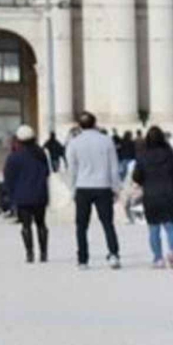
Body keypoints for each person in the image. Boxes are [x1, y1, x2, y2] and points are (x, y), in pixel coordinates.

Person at [64, 112, 123, 269]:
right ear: (95, 123)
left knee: (81, 226)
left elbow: (72, 169)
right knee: (108, 223)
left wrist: (72, 189)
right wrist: (116, 188)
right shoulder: (106, 140)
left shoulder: (74, 143)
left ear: (79, 125)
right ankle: (113, 254)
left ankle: (83, 259)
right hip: (103, 186)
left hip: (83, 186)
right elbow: (113, 167)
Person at [132, 127, 173, 269]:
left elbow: (136, 176)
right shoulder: (170, 155)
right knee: (171, 226)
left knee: (154, 228)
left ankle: (158, 258)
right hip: (168, 193)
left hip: (151, 194)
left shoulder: (142, 156)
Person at [2, 125, 51, 263]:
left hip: (22, 196)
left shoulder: (14, 157)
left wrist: (11, 196)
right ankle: (43, 253)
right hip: (40, 194)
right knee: (41, 224)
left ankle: (30, 253)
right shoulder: (41, 154)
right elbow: (47, 172)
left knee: (26, 225)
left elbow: (8, 178)